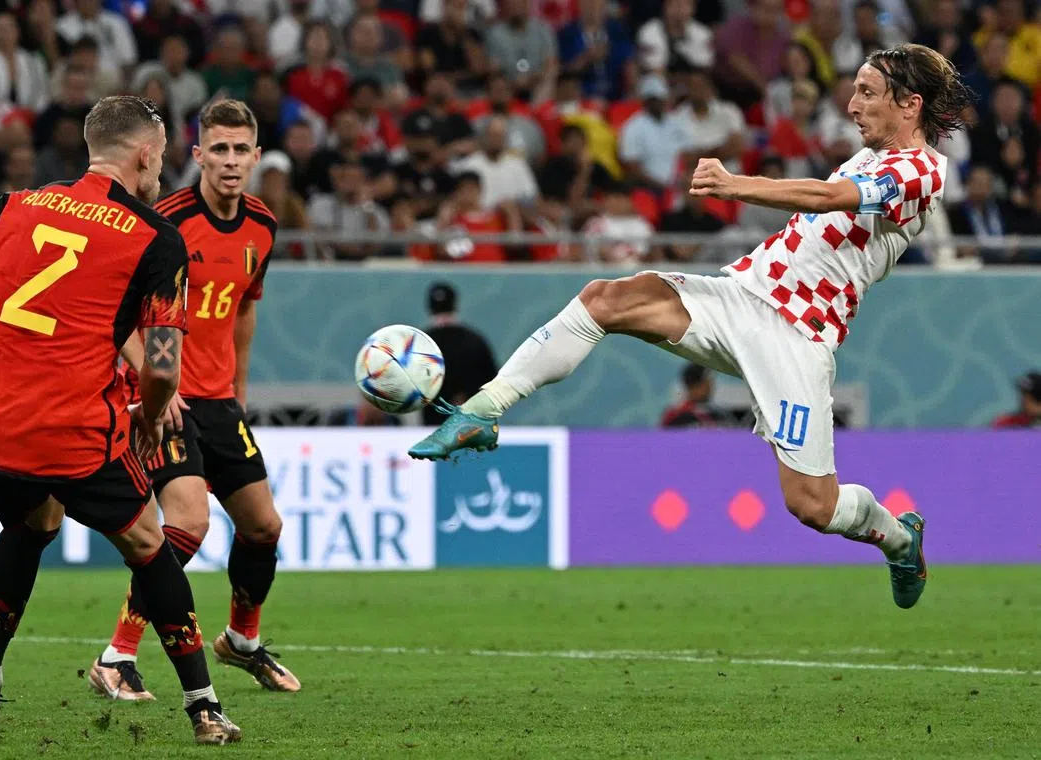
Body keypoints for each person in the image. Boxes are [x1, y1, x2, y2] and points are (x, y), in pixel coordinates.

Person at [410, 44, 972, 611]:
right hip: (740, 296)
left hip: (797, 335)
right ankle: (483, 412)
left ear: (910, 105)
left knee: (812, 506)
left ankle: (900, 539)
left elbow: (831, 198)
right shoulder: (874, 154)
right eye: (854, 89)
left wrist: (735, 184)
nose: (852, 104)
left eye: (867, 93)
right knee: (607, 298)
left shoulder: (921, 172)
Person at [0, 96, 240, 744]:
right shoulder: (156, 237)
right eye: (162, 156)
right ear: (146, 155)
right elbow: (164, 369)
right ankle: (204, 709)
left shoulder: (16, 206)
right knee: (150, 545)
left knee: (33, 521)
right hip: (70, 432)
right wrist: (149, 419)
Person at [89, 99, 299, 701]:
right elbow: (118, 311)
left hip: (219, 403)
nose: (231, 162)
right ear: (198, 154)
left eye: (242, 151)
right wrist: (157, 384)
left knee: (263, 527)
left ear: (257, 157)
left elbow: (244, 310)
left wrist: (238, 394)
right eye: (220, 150)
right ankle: (116, 655)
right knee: (187, 523)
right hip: (165, 397)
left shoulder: (263, 225)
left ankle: (242, 641)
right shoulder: (165, 220)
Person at [422, 282, 497, 426]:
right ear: (455, 305)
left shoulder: (422, 343)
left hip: (433, 425)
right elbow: (492, 381)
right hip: (473, 422)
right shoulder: (474, 340)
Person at [660, 363, 728, 428]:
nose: (711, 386)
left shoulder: (718, 415)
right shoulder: (676, 416)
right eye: (707, 382)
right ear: (693, 385)